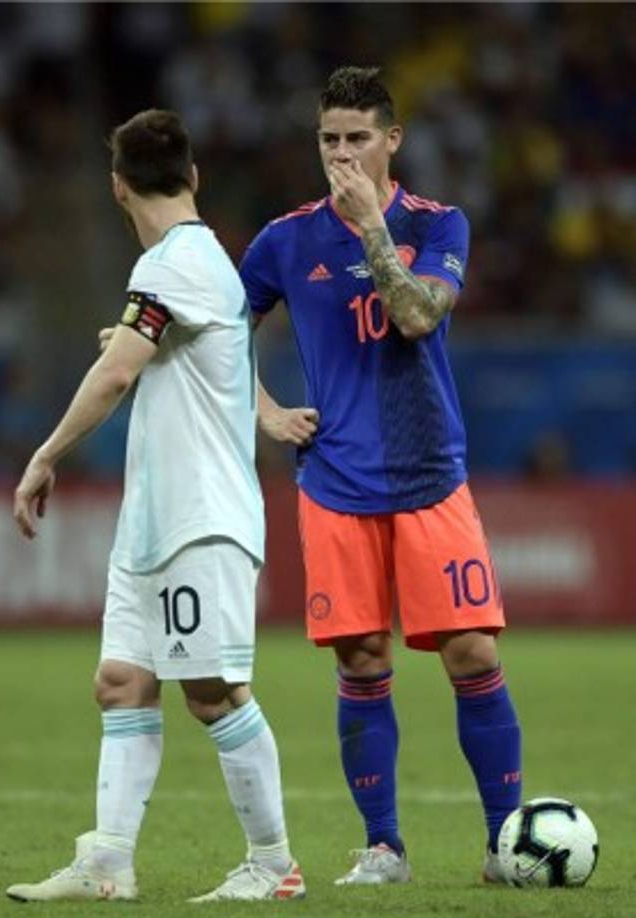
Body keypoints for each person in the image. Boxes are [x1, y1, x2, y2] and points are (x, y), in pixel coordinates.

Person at [8, 109, 304, 904]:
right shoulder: (194, 268)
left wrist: (45, 455)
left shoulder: (174, 264)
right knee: (121, 681)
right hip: (153, 523)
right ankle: (107, 860)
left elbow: (115, 378)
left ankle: (273, 863)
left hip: (198, 518)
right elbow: (167, 354)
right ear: (194, 177)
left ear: (116, 188)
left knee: (210, 691)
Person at [240, 66, 521, 886]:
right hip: (334, 482)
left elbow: (415, 316)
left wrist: (368, 229)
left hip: (431, 474)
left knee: (469, 651)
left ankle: (505, 841)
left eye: (357, 138)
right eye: (328, 139)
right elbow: (218, 336)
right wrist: (262, 409)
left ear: (391, 140)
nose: (341, 155)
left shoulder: (440, 225)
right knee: (360, 660)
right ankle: (384, 847)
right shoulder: (283, 241)